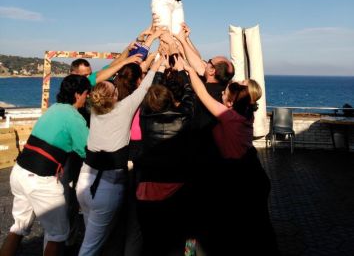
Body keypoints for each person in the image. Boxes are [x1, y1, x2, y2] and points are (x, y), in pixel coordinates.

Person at [184, 64, 279, 255]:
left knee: (242, 231)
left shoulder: (229, 116)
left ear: (229, 104)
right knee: (256, 228)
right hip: (251, 173)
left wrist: (189, 69)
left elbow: (202, 93)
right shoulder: (246, 114)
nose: (221, 93)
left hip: (242, 178)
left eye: (223, 93)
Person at [76, 54, 164, 256]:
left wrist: (127, 62)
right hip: (107, 186)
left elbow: (104, 82)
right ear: (114, 97)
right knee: (90, 248)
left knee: (95, 238)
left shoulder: (94, 111)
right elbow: (144, 86)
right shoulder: (124, 109)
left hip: (85, 179)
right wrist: (158, 61)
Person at [0, 75, 90, 256]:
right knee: (58, 235)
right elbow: (87, 150)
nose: (87, 98)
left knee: (19, 226)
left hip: (19, 172)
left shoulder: (54, 108)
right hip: (40, 179)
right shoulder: (74, 117)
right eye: (86, 94)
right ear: (77, 94)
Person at [136, 55, 195, 256]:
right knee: (188, 235)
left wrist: (159, 70)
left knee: (152, 241)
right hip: (178, 186)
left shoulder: (144, 116)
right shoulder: (184, 117)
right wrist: (181, 72)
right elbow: (189, 94)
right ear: (171, 99)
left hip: (148, 188)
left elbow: (152, 91)